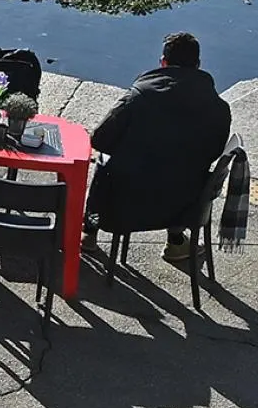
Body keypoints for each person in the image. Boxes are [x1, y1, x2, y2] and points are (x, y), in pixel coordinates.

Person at [89, 32, 234, 263]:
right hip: (184, 207)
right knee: (182, 164)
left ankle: (89, 233)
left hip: (125, 204)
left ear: (163, 63)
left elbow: (99, 139)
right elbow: (214, 152)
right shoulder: (220, 109)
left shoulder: (138, 97)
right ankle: (176, 242)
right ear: (198, 65)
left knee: (104, 162)